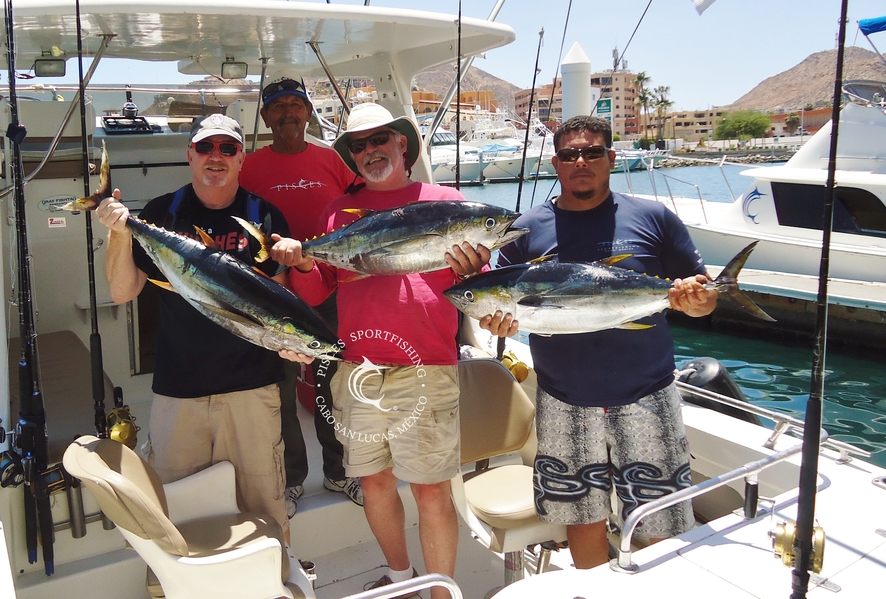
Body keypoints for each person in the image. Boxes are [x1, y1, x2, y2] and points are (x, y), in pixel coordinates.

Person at [272, 102, 489, 599]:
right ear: (351, 155)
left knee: (432, 490)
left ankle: (441, 594)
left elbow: (476, 279)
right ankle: (399, 578)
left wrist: (477, 270)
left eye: (379, 140)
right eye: (359, 144)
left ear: (402, 144)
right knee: (374, 483)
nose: (370, 150)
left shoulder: (446, 202)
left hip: (428, 367)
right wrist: (301, 263)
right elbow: (315, 293)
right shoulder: (337, 212)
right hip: (359, 372)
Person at [481, 115, 718, 569]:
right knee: (580, 519)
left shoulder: (653, 217)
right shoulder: (525, 229)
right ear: (556, 163)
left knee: (660, 522)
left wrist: (699, 300)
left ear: (610, 158)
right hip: (564, 398)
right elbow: (505, 303)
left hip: (648, 394)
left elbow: (700, 303)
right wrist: (499, 325)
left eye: (592, 152)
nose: (581, 161)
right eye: (570, 154)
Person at [97, 114, 306, 543]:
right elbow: (122, 292)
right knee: (174, 507)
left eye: (227, 149)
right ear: (189, 154)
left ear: (241, 158)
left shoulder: (264, 216)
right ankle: (172, 584)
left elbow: (278, 304)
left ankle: (271, 579)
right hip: (179, 390)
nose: (216, 157)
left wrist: (292, 345)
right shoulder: (161, 212)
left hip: (252, 388)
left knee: (263, 501)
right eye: (206, 147)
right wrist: (119, 233)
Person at [240, 67, 363, 517]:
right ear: (267, 118)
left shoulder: (331, 159)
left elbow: (362, 205)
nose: (287, 113)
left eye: (295, 105)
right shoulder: (248, 166)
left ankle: (338, 470)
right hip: (270, 292)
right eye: (278, 107)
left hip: (328, 290)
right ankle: (291, 479)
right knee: (281, 388)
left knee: (333, 384)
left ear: (309, 113)